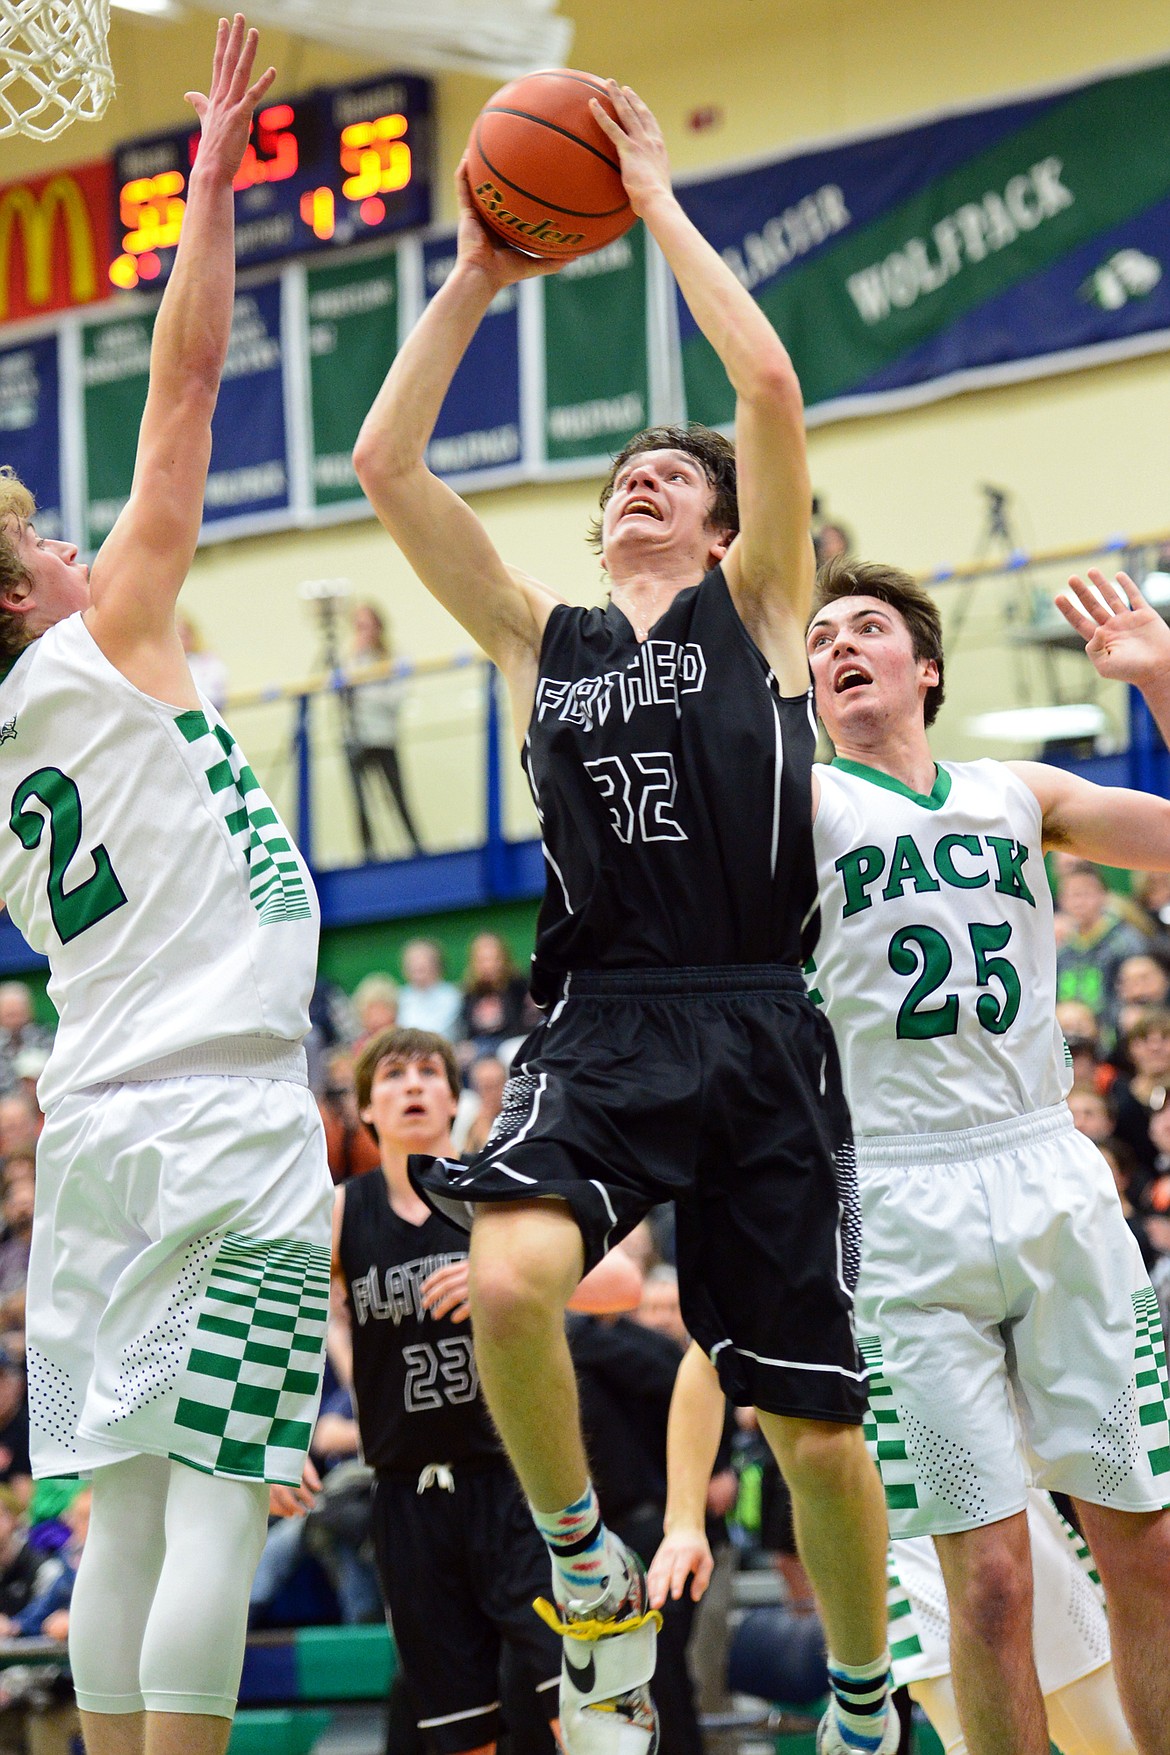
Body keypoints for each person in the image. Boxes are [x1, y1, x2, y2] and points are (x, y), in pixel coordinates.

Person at [353, 79, 898, 1755]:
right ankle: (585, 1576)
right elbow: (385, 460)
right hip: (606, 1014)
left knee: (808, 1428)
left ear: (729, 523)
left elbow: (770, 382)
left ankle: (868, 1707)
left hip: (759, 1015)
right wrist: (476, 274)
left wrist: (653, 198)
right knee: (509, 1282)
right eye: (628, 474)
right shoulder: (543, 636)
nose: (647, 481)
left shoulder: (763, 601)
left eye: (676, 474)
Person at [0, 18, 333, 1753]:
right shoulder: (105, 640)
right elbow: (186, 389)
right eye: (47, 535)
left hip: (101, 1130)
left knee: (122, 1512)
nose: (79, 538)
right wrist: (207, 188)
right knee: (213, 1501)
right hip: (214, 1120)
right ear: (27, 592)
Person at [750, 559, 1169, 1755]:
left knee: (1148, 1547)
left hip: (1047, 1170)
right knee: (987, 1588)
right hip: (897, 1195)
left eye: (868, 626)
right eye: (821, 635)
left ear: (924, 669)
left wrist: (1159, 676)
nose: (840, 644)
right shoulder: (800, 808)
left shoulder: (1015, 791)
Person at [333, 1026, 641, 1755]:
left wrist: (499, 1278)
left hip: (516, 1488)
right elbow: (292, 1316)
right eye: (393, 1074)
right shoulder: (340, 1211)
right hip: (406, 1497)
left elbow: (627, 1283)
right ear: (367, 1109)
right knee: (460, 1734)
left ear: (452, 1095)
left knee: (587, 1714)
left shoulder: (496, 1192)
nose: (412, 1084)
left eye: (428, 1071)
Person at [344, 600, 424, 859]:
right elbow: (343, 695)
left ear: (379, 626)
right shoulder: (351, 658)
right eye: (357, 626)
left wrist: (365, 691)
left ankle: (416, 848)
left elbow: (395, 699)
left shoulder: (395, 657)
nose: (362, 632)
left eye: (366, 625)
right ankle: (368, 855)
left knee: (398, 797)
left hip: (384, 738)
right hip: (355, 738)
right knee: (360, 804)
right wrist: (354, 660)